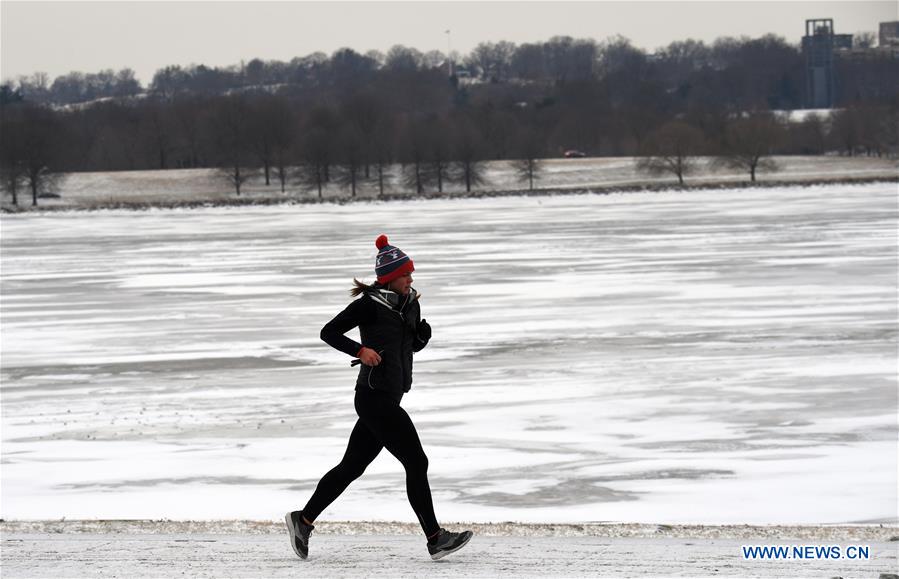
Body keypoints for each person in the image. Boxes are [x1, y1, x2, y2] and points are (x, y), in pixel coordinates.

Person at [285, 234, 473, 561]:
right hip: (372, 397)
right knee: (417, 461)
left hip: (391, 395)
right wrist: (361, 350)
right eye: (406, 275)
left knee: (351, 467)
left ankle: (302, 520)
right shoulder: (369, 306)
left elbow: (407, 347)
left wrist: (421, 340)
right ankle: (435, 538)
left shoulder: (411, 304)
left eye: (411, 274)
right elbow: (328, 332)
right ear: (389, 277)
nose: (411, 279)